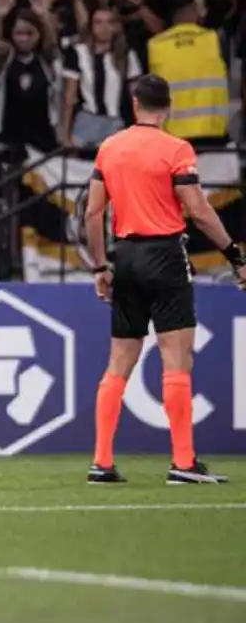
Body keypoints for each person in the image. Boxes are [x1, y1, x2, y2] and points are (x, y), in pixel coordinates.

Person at [82, 74, 246, 485]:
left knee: (119, 360)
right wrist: (234, 255)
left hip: (126, 255)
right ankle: (184, 462)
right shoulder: (176, 149)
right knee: (177, 358)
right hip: (166, 254)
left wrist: (100, 267)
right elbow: (199, 210)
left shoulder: (110, 148)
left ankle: (101, 462)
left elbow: (91, 213)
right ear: (167, 107)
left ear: (134, 104)